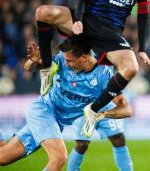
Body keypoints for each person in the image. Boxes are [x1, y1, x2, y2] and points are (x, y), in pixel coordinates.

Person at [35, 0, 150, 137]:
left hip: (110, 33)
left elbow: (143, 15)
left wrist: (142, 48)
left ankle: (93, 111)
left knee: (131, 68)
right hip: (86, 20)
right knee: (43, 12)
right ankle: (47, 68)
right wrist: (77, 20)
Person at [0, 39, 132, 171]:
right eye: (66, 60)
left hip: (56, 123)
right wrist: (33, 61)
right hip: (44, 111)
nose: (67, 64)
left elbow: (126, 109)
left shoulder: (103, 76)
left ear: (85, 58)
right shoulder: (62, 60)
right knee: (59, 158)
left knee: (3, 157)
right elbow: (29, 68)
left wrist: (101, 114)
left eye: (70, 61)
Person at [68, 99, 133, 171]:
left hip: (106, 106)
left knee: (118, 138)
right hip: (83, 107)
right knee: (82, 144)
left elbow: (119, 97)